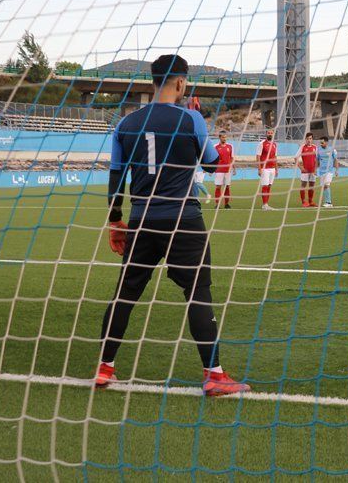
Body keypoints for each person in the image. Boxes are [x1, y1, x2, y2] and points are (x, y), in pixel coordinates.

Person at [97, 54, 249, 396]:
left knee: (125, 294)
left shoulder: (125, 124)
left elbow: (116, 177)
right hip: (183, 220)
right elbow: (211, 167)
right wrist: (222, 155)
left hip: (141, 220)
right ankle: (213, 374)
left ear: (153, 82)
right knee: (198, 292)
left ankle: (105, 367)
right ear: (180, 83)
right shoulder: (191, 118)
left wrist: (115, 220)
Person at [256, 129, 278, 210]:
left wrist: (276, 169)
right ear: (266, 134)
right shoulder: (262, 143)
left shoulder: (275, 144)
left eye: (271, 133)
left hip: (272, 168)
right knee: (265, 186)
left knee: (269, 186)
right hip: (264, 168)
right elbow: (258, 156)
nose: (270, 134)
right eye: (268, 133)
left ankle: (266, 204)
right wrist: (259, 168)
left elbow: (275, 157)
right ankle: (264, 204)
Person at [295, 132, 318, 207]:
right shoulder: (302, 147)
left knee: (312, 186)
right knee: (303, 185)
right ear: (305, 139)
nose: (309, 140)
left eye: (310, 138)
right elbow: (295, 158)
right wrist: (301, 167)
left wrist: (316, 169)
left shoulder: (315, 147)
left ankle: (310, 201)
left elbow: (318, 159)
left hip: (312, 171)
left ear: (312, 139)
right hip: (305, 171)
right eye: (307, 139)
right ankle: (303, 202)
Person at [316, 136, 339, 208]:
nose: (321, 144)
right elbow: (317, 161)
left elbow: (335, 160)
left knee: (326, 185)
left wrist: (336, 170)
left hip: (329, 171)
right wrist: (315, 170)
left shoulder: (332, 150)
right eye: (320, 143)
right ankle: (327, 201)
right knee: (324, 187)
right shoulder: (318, 150)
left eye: (322, 143)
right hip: (321, 171)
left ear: (326, 142)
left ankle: (329, 202)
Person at [213, 131, 233, 208]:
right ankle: (217, 204)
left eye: (225, 137)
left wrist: (233, 168)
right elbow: (214, 158)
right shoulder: (215, 147)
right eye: (223, 137)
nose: (224, 138)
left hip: (228, 170)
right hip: (219, 170)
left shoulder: (230, 146)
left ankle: (226, 204)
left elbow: (232, 158)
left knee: (227, 186)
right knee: (218, 186)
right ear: (219, 137)